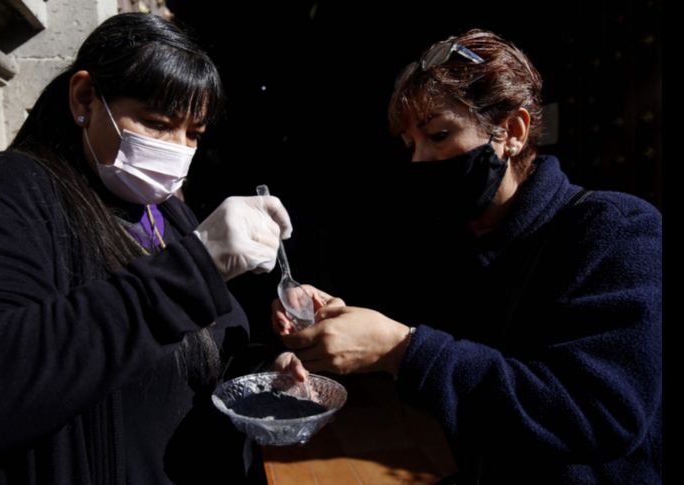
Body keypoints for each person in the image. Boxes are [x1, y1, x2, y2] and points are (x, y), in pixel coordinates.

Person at [272, 29, 662, 483]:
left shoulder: (616, 231)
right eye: (410, 145)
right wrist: (326, 326)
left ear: (511, 132)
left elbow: (601, 414)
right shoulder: (450, 239)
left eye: (439, 134)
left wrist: (402, 350)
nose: (420, 160)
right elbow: (416, 351)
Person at [0, 12, 304, 484]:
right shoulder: (10, 191)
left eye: (192, 133)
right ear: (85, 97)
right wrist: (195, 267)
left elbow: (197, 346)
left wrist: (262, 367)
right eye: (156, 123)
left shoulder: (166, 212)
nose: (178, 149)